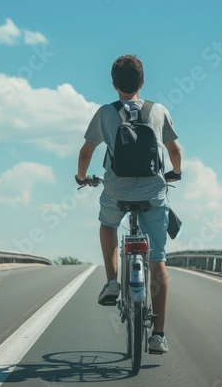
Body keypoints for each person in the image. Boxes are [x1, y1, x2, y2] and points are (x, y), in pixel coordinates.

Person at [76, 54, 182, 354]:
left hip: (117, 190)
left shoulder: (105, 114)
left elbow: (86, 153)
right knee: (157, 262)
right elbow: (175, 151)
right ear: (143, 81)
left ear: (113, 84)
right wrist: (175, 172)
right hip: (152, 193)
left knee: (108, 224)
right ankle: (158, 336)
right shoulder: (158, 111)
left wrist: (81, 177)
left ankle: (112, 282)